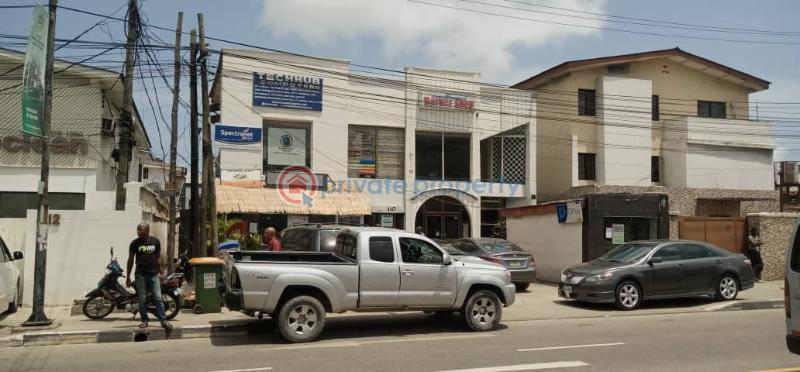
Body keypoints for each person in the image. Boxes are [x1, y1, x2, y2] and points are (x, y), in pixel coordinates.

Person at [126, 223, 172, 330]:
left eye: (140, 229)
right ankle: (144, 320)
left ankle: (163, 320)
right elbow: (130, 260)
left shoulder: (155, 241)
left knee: (158, 297)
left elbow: (158, 257)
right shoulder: (134, 243)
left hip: (153, 273)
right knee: (142, 298)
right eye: (137, 229)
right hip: (140, 274)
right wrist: (128, 276)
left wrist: (161, 272)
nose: (138, 231)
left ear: (147, 230)